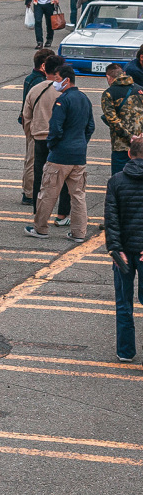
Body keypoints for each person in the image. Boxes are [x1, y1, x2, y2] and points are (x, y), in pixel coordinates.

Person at [26, 64, 95, 242]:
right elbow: (90, 127)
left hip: (60, 155)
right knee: (78, 195)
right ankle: (79, 232)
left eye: (57, 79)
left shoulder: (63, 101)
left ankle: (40, 228)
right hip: (79, 155)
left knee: (48, 192)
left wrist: (53, 144)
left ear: (66, 80)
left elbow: (55, 128)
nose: (56, 83)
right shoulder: (84, 99)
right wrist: (81, 143)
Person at [105, 135, 143, 362]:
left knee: (124, 303)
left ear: (129, 153)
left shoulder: (116, 181)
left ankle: (126, 351)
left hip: (124, 252)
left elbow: (111, 220)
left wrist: (115, 249)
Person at [22, 55, 70, 221]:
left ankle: (38, 212)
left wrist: (31, 133)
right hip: (59, 139)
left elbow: (26, 115)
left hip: (39, 137)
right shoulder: (62, 90)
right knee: (63, 177)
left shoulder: (35, 89)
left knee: (39, 177)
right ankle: (62, 214)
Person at [19, 49, 55, 203]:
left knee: (31, 158)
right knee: (33, 160)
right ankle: (29, 193)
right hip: (36, 124)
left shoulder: (29, 78)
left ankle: (29, 190)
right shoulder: (40, 83)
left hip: (29, 123)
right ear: (43, 66)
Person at [102, 63, 143, 175]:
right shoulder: (140, 90)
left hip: (120, 146)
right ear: (124, 74)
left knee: (119, 180)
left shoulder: (109, 94)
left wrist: (130, 137)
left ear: (108, 77)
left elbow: (113, 120)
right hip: (140, 144)